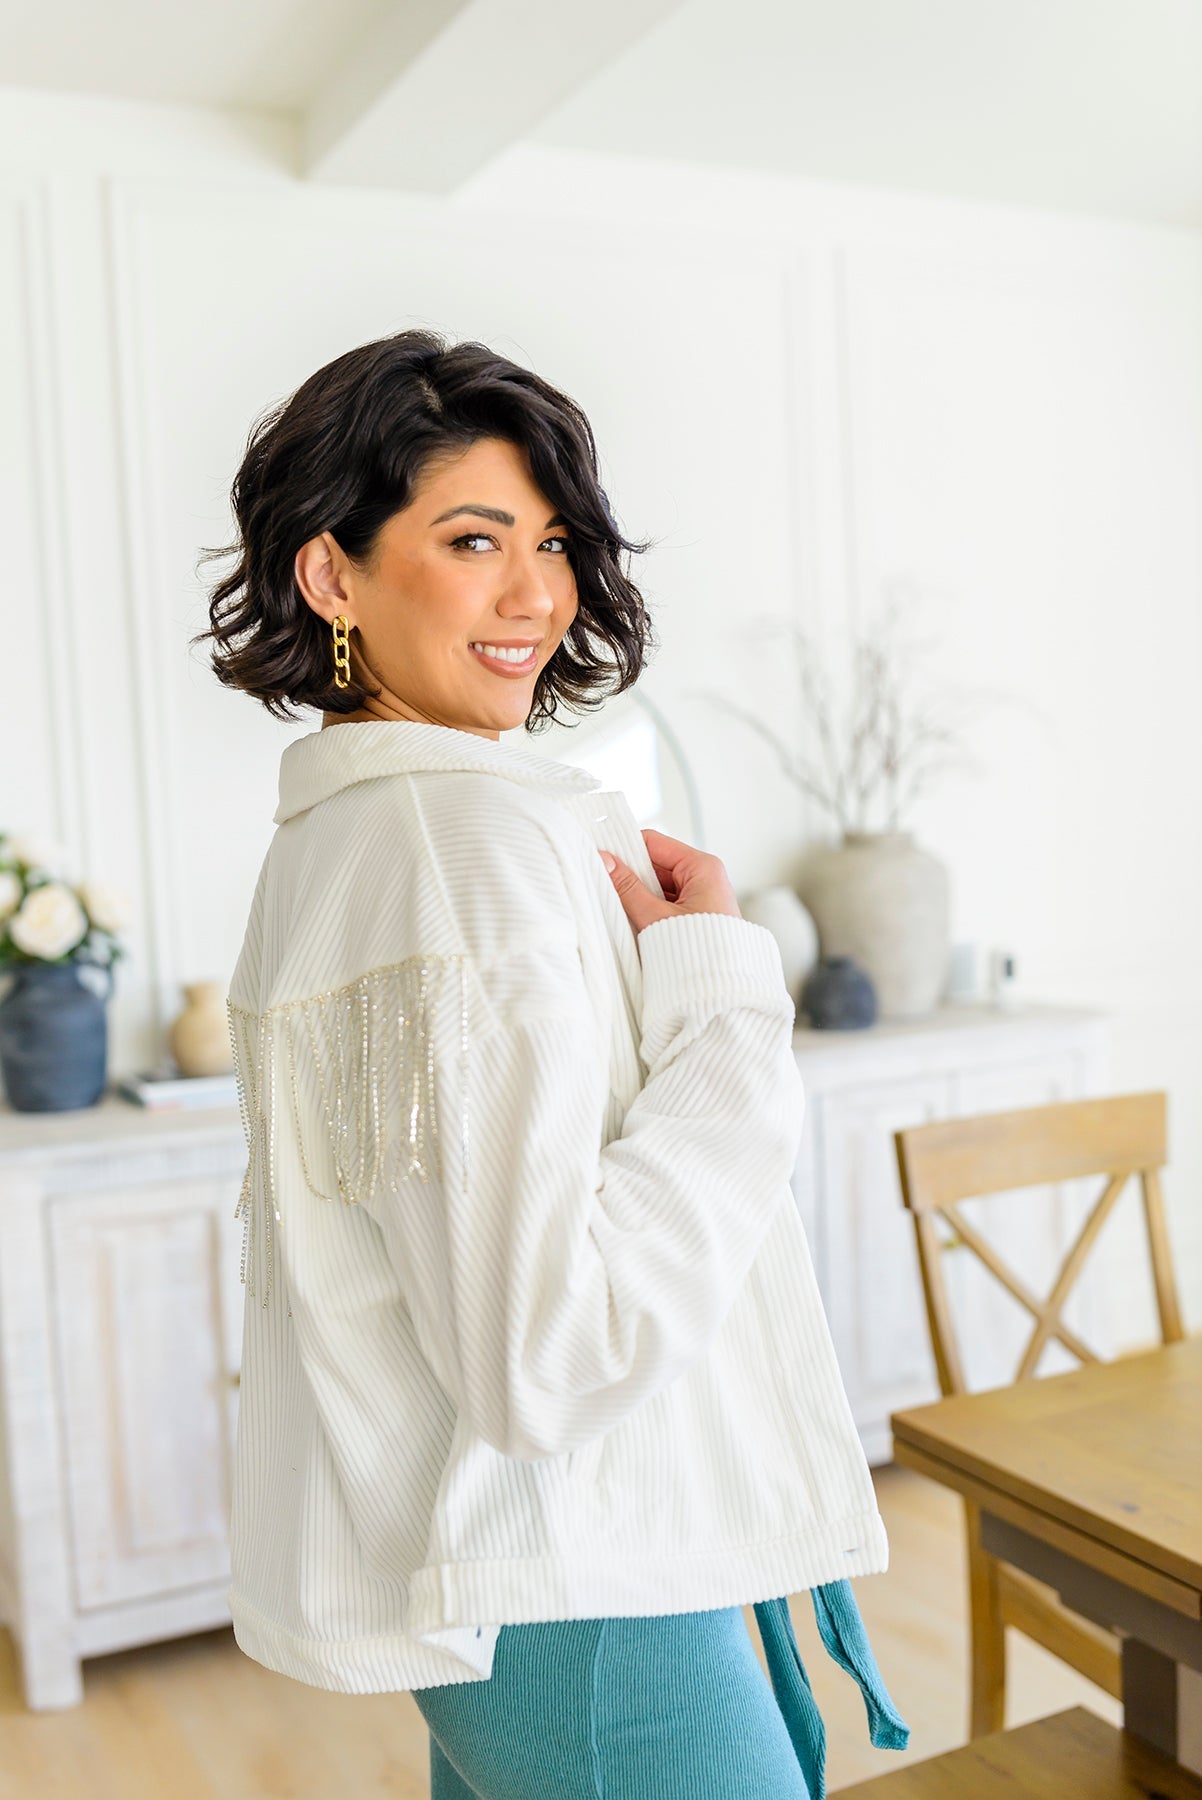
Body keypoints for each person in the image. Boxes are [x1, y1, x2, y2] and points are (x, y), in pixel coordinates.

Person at [195, 329, 908, 1799]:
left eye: (555, 542)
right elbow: (550, 1358)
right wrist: (722, 997)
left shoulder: (337, 838)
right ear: (332, 575)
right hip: (586, 1588)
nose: (535, 594)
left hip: (502, 1582)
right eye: (473, 541)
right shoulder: (464, 841)